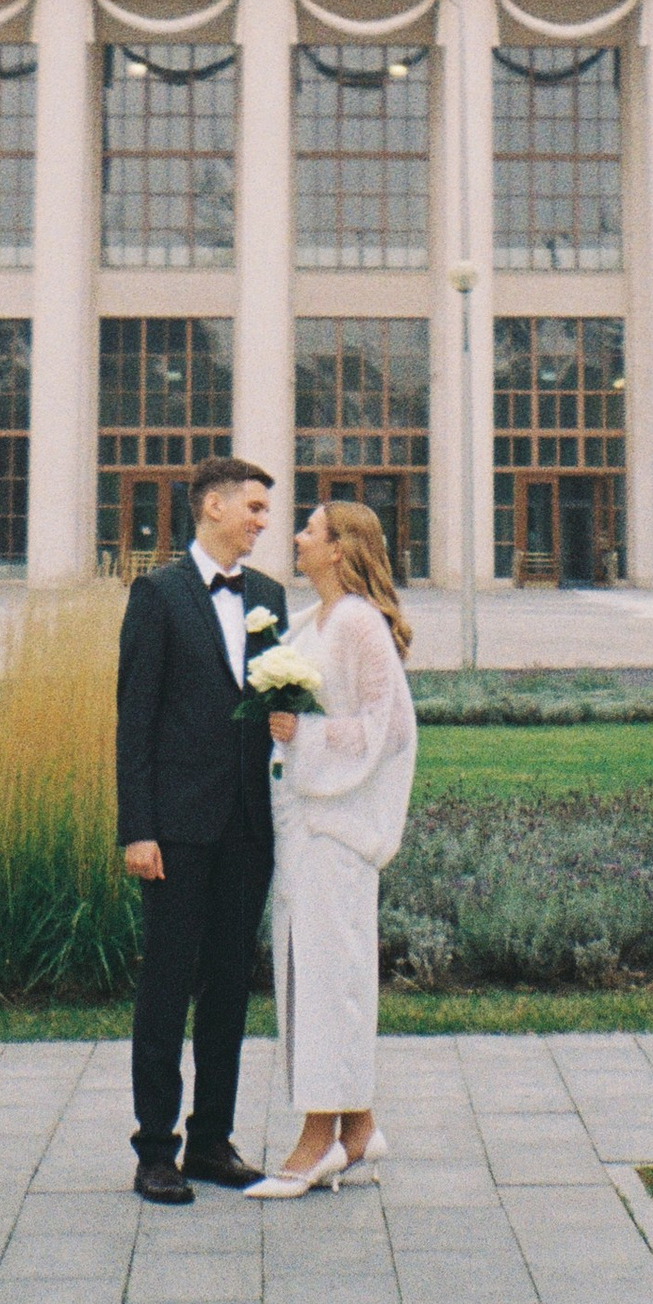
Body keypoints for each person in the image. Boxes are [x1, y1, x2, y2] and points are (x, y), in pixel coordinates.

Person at [115, 455, 287, 1205]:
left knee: (227, 992)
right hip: (176, 830)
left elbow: (279, 696)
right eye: (251, 506)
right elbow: (136, 721)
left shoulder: (272, 596)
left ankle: (212, 1139)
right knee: (166, 986)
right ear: (211, 506)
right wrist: (138, 828)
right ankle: (156, 1149)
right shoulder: (157, 594)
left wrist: (289, 718)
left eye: (265, 510)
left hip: (248, 826)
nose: (262, 520)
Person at [245, 495, 418, 1199]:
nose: (296, 536)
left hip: (337, 830)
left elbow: (388, 727)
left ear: (340, 547)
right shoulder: (314, 619)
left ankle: (317, 1137)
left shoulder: (357, 623)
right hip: (303, 825)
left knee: (328, 976)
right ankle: (358, 1126)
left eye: (310, 529)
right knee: (311, 967)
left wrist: (304, 739)